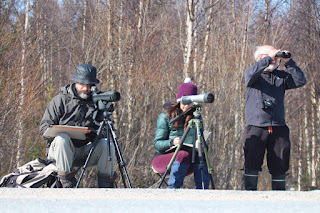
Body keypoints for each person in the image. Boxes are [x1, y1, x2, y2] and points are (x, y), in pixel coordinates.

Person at [39, 64, 117, 188]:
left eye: (89, 84)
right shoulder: (60, 100)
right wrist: (64, 129)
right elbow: (43, 128)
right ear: (75, 81)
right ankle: (66, 183)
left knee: (107, 144)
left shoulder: (97, 101)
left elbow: (106, 131)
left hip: (85, 150)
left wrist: (93, 134)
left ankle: (106, 185)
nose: (86, 88)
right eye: (83, 84)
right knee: (62, 139)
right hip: (61, 150)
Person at [242, 45, 306, 190]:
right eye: (271, 57)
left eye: (276, 58)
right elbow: (251, 74)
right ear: (260, 58)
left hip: (278, 127)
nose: (275, 60)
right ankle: (249, 195)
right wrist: (268, 58)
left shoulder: (281, 77)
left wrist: (289, 62)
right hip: (255, 127)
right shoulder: (252, 76)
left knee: (280, 163)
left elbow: (300, 80)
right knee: (251, 162)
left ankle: (279, 197)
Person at [152, 78, 210, 189]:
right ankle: (173, 190)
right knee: (183, 154)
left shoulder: (196, 117)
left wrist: (202, 147)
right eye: (184, 102)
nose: (186, 106)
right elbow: (157, 144)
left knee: (201, 155)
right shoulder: (165, 116)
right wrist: (172, 142)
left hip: (187, 160)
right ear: (179, 101)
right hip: (163, 158)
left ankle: (203, 191)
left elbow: (204, 144)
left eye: (190, 103)